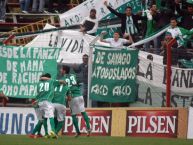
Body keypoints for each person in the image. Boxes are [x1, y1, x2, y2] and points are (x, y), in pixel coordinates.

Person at [32, 73, 65, 139]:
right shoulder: (51, 81)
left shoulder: (39, 83)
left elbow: (38, 93)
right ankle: (52, 131)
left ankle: (44, 133)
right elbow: (62, 82)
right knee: (51, 116)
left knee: (43, 119)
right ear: (49, 78)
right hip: (47, 102)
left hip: (39, 102)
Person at [62, 65, 91, 137]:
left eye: (61, 69)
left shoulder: (63, 79)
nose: (60, 70)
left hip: (72, 97)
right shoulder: (73, 75)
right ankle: (89, 127)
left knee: (73, 114)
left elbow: (65, 89)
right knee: (83, 112)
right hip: (80, 95)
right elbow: (77, 83)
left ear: (64, 71)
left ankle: (78, 131)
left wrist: (65, 96)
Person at [52, 67, 70, 135]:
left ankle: (53, 131)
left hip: (53, 103)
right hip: (61, 103)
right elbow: (69, 98)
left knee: (54, 118)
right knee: (61, 120)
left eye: (61, 69)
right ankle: (55, 133)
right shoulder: (66, 84)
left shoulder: (56, 82)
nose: (60, 70)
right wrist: (67, 97)